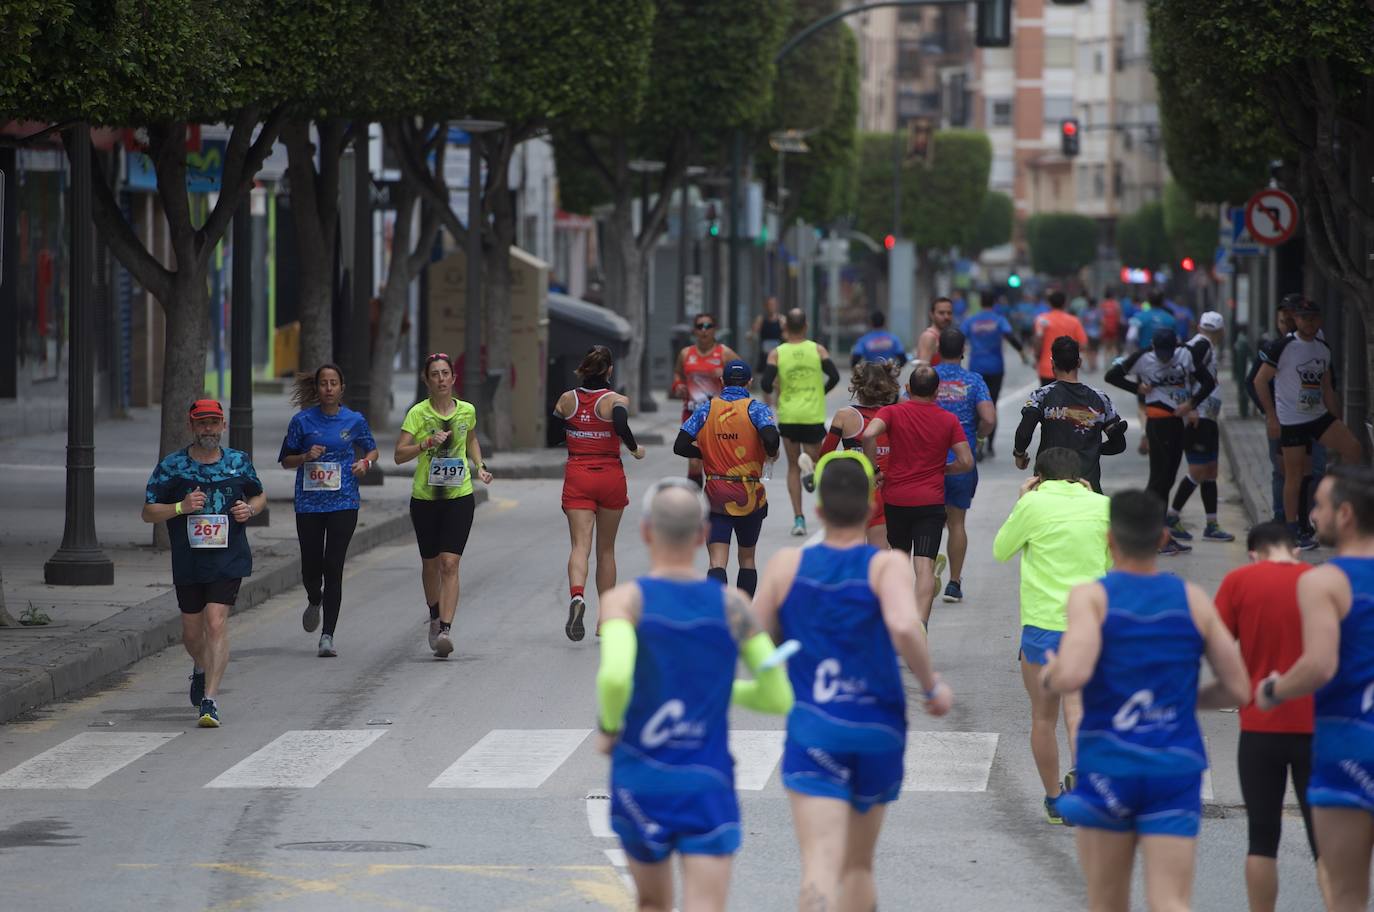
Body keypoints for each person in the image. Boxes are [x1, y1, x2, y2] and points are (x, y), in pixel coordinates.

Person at [749, 451, 953, 912]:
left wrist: (778, 653)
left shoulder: (786, 566)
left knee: (820, 860)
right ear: (869, 508)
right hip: (876, 729)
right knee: (859, 866)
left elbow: (753, 635)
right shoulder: (886, 567)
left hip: (816, 726)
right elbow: (905, 626)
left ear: (818, 510)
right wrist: (931, 685)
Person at [1042, 489, 1250, 912]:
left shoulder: (1093, 598)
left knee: (1106, 900)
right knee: (1171, 899)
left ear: (1108, 539)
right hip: (1174, 765)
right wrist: (1184, 701)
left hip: (1110, 768)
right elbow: (1238, 689)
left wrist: (1052, 672)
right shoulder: (1191, 599)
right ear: (1160, 539)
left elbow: (1075, 673)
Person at [595, 478, 794, 912]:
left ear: (647, 532)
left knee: (651, 903)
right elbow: (778, 696)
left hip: (641, 778)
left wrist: (609, 727)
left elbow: (614, 677)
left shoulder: (623, 602)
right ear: (704, 534)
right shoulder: (733, 606)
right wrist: (725, 690)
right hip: (706, 780)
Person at [1253, 467, 1374, 912]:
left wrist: (1274, 689)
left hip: (1348, 754)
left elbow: (1320, 664)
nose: (1311, 514)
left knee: (1347, 895)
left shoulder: (1324, 581)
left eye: (1319, 505)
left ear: (1345, 515)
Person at [993, 448, 1110, 825]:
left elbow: (1000, 551)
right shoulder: (1102, 505)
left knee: (1044, 717)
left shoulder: (1034, 505)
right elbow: (1111, 564)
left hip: (1044, 624)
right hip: (1090, 624)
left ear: (1039, 478)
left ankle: (1055, 800)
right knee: (1082, 709)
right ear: (1079, 478)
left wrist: (1023, 503)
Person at [1214, 522, 1325, 912]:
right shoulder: (1320, 581)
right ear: (1296, 551)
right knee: (1324, 842)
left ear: (1253, 553)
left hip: (1259, 726)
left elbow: (1217, 648)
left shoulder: (1238, 581)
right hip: (1316, 727)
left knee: (1261, 839)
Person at [142, 399, 267, 728]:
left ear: (223, 425)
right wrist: (181, 508)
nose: (208, 429)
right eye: (202, 423)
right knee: (192, 632)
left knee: (216, 622)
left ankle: (210, 700)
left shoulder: (239, 462)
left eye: (214, 422)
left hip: (229, 557)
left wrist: (250, 510)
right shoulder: (173, 467)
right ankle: (201, 666)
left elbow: (258, 494)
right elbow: (148, 512)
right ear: (191, 426)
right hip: (189, 559)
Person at [394, 353, 494, 658]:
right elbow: (399, 455)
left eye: (445, 373)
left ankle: (446, 630)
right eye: (434, 374)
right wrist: (425, 444)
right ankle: (434, 614)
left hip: (459, 497)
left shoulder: (467, 411)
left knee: (450, 563)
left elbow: (471, 439)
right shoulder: (418, 414)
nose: (440, 379)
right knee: (430, 564)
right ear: (427, 380)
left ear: (453, 378)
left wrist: (480, 465)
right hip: (425, 498)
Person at [277, 363, 379, 658]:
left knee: (333, 565)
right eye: (324, 383)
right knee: (311, 564)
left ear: (342, 387)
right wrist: (306, 456)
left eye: (334, 383)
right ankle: (313, 597)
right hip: (309, 503)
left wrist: (365, 463)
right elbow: (286, 460)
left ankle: (327, 635)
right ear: (317, 388)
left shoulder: (354, 420)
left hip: (343, 501)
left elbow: (371, 449)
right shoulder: (302, 421)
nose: (329, 388)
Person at [862, 364, 974, 626]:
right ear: (937, 391)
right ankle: (919, 624)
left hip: (897, 500)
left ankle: (900, 617)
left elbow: (868, 433)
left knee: (899, 560)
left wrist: (873, 469)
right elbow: (966, 461)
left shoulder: (891, 412)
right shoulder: (948, 420)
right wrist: (944, 468)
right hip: (930, 502)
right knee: (924, 566)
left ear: (908, 388)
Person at [551, 346, 646, 642]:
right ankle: (605, 619)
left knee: (580, 546)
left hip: (578, 474)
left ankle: (577, 597)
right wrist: (633, 448)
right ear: (609, 370)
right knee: (606, 550)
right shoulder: (616, 400)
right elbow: (619, 423)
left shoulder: (567, 399)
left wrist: (576, 431)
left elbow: (554, 434)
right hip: (609, 476)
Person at [1253, 297, 1363, 551]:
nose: (1309, 322)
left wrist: (1336, 419)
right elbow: (1260, 381)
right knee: (1294, 476)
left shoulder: (1323, 349)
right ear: (1296, 320)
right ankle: (1292, 529)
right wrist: (1271, 416)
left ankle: (1343, 505)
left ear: (1320, 320)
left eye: (1313, 318)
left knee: (1353, 448)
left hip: (1318, 416)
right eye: (1304, 318)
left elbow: (1327, 388)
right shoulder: (1283, 346)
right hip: (1291, 420)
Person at [1105, 328, 1216, 556]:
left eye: (1169, 353)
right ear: (1154, 348)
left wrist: (1192, 403)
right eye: (1161, 353)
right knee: (1160, 480)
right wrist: (1137, 388)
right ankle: (1148, 533)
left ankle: (1155, 533)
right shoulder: (1144, 357)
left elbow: (1208, 382)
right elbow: (1112, 375)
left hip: (1178, 422)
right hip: (1158, 422)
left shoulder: (1186, 354)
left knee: (1166, 480)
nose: (1165, 358)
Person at [674, 360, 780, 596]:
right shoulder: (757, 409)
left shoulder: (706, 409)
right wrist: (770, 452)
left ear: (722, 382)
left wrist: (704, 452)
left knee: (717, 562)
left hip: (716, 493)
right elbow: (771, 439)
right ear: (749, 382)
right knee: (748, 558)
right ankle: (742, 614)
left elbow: (680, 446)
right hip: (749, 494)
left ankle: (719, 614)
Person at [763, 308, 840, 537]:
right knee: (817, 462)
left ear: (786, 329)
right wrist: (820, 392)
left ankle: (799, 519)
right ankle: (813, 470)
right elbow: (834, 376)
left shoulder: (776, 353)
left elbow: (766, 384)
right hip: (812, 414)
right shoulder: (818, 350)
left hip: (789, 415)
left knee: (793, 468)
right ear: (806, 326)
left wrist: (778, 387)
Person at [1013, 337, 1127, 494]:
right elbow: (1119, 444)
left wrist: (1019, 454)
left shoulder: (1041, 395)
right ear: (1079, 363)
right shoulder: (1100, 398)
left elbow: (1024, 432)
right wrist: (1094, 449)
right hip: (1088, 487)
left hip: (1049, 485)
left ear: (1052, 363)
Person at [934, 328, 995, 603]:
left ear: (938, 348)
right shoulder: (974, 380)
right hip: (962, 460)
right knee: (957, 522)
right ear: (963, 351)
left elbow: (902, 406)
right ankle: (954, 584)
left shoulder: (925, 377)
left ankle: (924, 576)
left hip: (927, 461)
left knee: (927, 522)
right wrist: (979, 437)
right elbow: (989, 417)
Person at [813, 359, 902, 547]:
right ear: (888, 385)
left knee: (851, 555)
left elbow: (825, 456)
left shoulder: (845, 416)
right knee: (879, 557)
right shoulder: (895, 414)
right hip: (886, 490)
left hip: (854, 490)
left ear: (857, 385)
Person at [1166, 311, 1237, 543]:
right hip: (1200, 417)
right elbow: (1185, 377)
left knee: (1211, 471)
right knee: (1198, 471)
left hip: (1208, 417)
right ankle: (1172, 517)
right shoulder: (1202, 346)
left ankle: (1212, 524)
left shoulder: (1200, 344)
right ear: (1221, 332)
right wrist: (1192, 407)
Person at [672, 314, 741, 489]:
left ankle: (717, 501)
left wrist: (726, 374)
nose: (704, 330)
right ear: (694, 330)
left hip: (718, 416)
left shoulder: (724, 353)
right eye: (700, 326)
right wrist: (678, 386)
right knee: (695, 463)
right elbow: (678, 374)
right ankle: (695, 505)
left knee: (719, 460)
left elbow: (744, 376)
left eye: (708, 326)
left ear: (714, 329)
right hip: (692, 413)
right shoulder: (686, 353)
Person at [960, 296, 1028, 460]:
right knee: (992, 405)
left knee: (976, 406)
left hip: (976, 368)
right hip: (995, 367)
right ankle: (989, 445)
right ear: (994, 303)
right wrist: (1022, 353)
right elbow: (1011, 337)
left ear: (981, 303)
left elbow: (959, 338)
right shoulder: (999, 320)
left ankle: (977, 445)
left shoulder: (971, 321)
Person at [1033, 291, 1088, 386]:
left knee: (1047, 398)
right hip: (1069, 371)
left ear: (1049, 303)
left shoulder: (1042, 320)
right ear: (1065, 303)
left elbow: (1038, 342)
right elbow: (1083, 344)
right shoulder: (1074, 321)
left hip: (1047, 368)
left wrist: (1037, 358)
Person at [750, 296, 784, 407]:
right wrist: (751, 335)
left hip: (778, 356)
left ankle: (779, 404)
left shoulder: (781, 320)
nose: (771, 307)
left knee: (778, 382)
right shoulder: (761, 320)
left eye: (773, 305)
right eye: (769, 305)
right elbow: (753, 332)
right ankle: (767, 406)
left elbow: (787, 334)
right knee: (765, 382)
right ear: (766, 307)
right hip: (765, 356)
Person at [914, 296, 956, 364]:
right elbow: (923, 370)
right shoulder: (929, 337)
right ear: (931, 314)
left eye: (949, 313)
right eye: (941, 313)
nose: (946, 317)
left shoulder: (946, 336)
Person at [1081, 297, 1103, 372]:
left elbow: (1082, 322)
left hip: (1087, 333)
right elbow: (1101, 322)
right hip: (1096, 333)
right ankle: (1094, 364)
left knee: (1088, 350)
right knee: (1095, 350)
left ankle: (1090, 365)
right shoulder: (1098, 312)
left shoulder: (1084, 311)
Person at [1099, 291, 1123, 360]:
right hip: (1114, 328)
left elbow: (1101, 318)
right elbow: (1119, 317)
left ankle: (1106, 361)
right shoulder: (1116, 304)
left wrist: (1101, 328)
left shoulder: (1103, 304)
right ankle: (1111, 361)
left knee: (1106, 347)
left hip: (1105, 328)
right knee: (1113, 346)